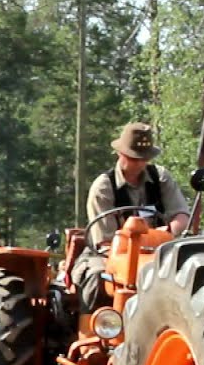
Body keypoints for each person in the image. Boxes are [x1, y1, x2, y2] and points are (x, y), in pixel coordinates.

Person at [70, 122, 191, 312]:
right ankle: (97, 328)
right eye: (134, 158)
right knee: (97, 277)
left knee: (188, 275)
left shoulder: (161, 178)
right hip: (107, 254)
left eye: (144, 158)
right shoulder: (103, 188)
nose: (139, 163)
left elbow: (181, 215)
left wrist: (168, 232)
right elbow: (105, 243)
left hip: (159, 252)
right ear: (120, 153)